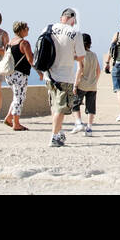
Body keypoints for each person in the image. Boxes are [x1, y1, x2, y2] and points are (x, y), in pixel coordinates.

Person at [40, 8, 86, 147]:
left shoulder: (48, 28)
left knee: (54, 105)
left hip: (49, 74)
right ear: (72, 19)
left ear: (62, 18)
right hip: (64, 75)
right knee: (60, 107)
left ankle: (58, 132)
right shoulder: (75, 33)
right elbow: (81, 56)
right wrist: (70, 56)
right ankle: (54, 136)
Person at [2, 21, 35, 131]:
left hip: (9, 74)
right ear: (21, 30)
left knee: (16, 96)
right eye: (27, 28)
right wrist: (40, 72)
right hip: (19, 75)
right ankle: (16, 123)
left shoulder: (10, 43)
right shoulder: (24, 43)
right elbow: (31, 60)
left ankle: (8, 117)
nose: (28, 29)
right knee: (19, 98)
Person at [70, 34, 101, 135]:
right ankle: (89, 128)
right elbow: (98, 71)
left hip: (82, 84)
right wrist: (94, 80)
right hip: (92, 85)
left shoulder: (81, 55)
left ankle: (78, 123)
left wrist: (75, 84)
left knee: (75, 104)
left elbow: (80, 69)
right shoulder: (94, 55)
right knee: (91, 107)